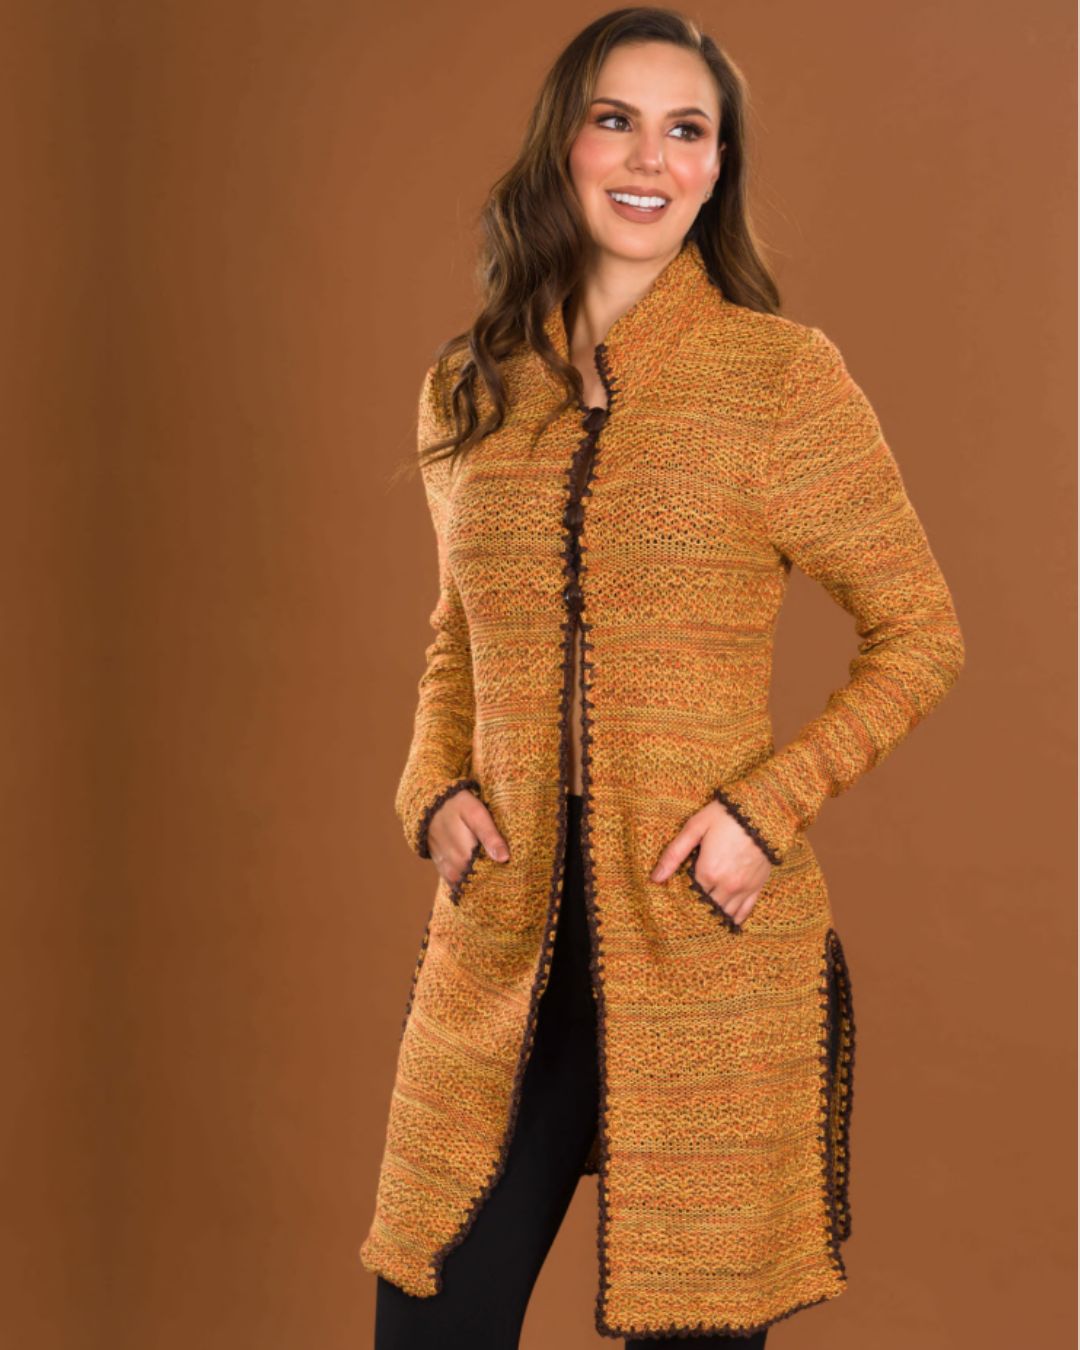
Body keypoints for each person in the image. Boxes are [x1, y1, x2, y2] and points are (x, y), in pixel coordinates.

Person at [360, 9, 965, 1348]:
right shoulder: (469, 387)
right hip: (500, 947)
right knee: (429, 1315)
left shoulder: (779, 381)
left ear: (716, 166)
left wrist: (767, 808)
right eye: (614, 120)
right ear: (562, 147)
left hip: (702, 949)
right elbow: (459, 632)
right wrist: (430, 786)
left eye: (686, 128)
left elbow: (921, 631)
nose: (650, 157)